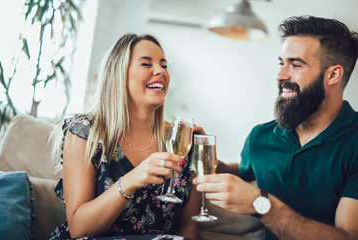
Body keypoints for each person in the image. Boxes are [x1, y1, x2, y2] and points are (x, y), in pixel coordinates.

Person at [194, 15, 358, 240]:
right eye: (281, 63)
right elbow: (243, 171)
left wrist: (260, 204)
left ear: (333, 75)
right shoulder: (260, 136)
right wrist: (206, 157)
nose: (280, 75)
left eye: (296, 64)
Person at [49, 33, 200, 240]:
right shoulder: (86, 131)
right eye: (146, 64)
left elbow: (187, 227)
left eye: (164, 65)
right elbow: (78, 229)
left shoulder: (182, 141)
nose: (160, 71)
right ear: (118, 75)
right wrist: (131, 180)